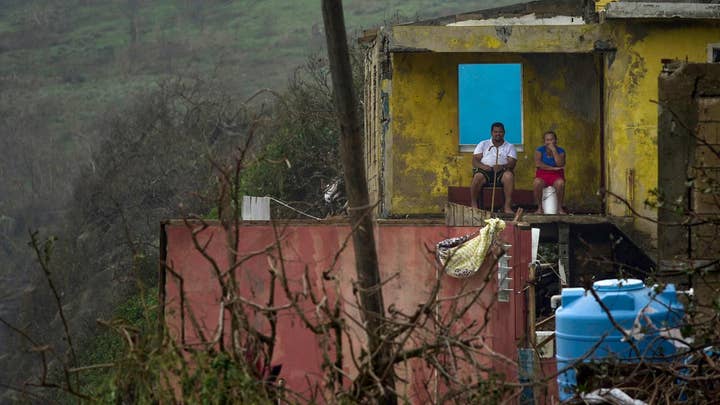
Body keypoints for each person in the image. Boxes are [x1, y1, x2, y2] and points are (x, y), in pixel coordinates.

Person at [470, 122, 517, 213]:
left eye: (500, 132)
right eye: (495, 132)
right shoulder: (483, 144)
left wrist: (502, 166)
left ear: (504, 133)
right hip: (485, 171)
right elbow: (475, 161)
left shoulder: (509, 146)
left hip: (502, 171)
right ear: (491, 133)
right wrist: (483, 167)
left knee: (509, 176)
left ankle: (507, 207)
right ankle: (474, 205)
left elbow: (512, 163)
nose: (498, 134)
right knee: (477, 177)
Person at [533, 131, 566, 214]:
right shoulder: (539, 150)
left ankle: (559, 208)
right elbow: (538, 164)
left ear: (556, 140)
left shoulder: (561, 151)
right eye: (547, 140)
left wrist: (554, 151)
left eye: (552, 139)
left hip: (557, 175)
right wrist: (552, 168)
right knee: (537, 183)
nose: (550, 142)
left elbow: (560, 164)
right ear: (544, 142)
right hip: (542, 174)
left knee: (560, 183)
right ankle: (540, 208)